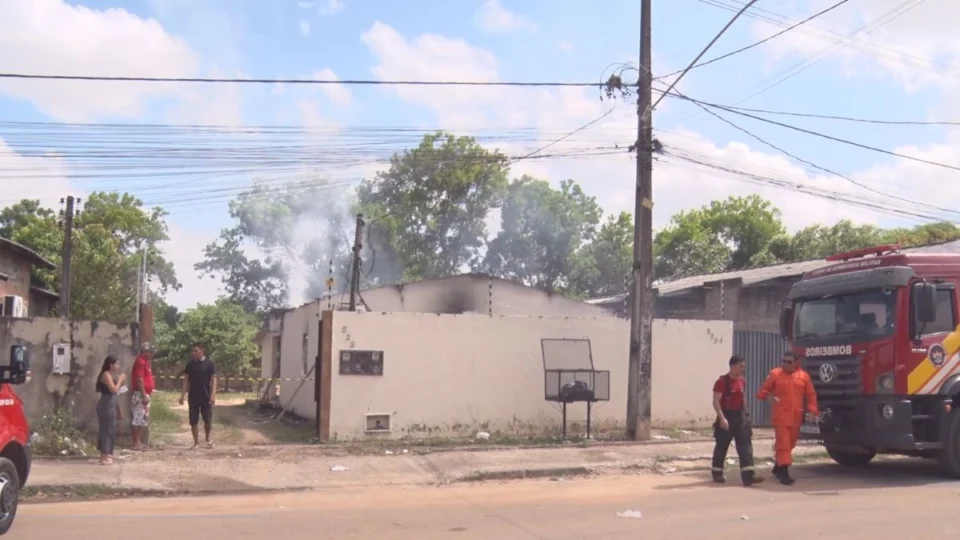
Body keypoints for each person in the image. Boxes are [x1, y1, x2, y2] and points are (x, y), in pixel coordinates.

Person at [757, 350, 819, 485]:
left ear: (796, 362)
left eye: (789, 362)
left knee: (790, 443)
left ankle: (778, 467)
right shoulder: (775, 374)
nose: (785, 364)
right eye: (783, 361)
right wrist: (768, 397)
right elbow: (762, 391)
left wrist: (812, 411)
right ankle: (784, 474)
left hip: (796, 416)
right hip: (781, 416)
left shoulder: (803, 376)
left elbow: (811, 394)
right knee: (783, 443)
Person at [710, 355, 762, 486]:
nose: (743, 369)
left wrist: (747, 414)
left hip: (740, 416)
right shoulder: (721, 382)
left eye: (743, 366)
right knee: (722, 446)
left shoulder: (742, 380)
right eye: (741, 366)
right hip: (727, 415)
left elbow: (743, 398)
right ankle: (717, 473)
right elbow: (716, 401)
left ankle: (748, 476)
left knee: (746, 447)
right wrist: (722, 418)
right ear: (733, 366)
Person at [179, 342, 217, 449]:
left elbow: (214, 380)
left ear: (202, 350)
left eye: (196, 351)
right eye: (193, 351)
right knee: (193, 421)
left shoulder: (210, 364)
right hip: (193, 397)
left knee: (208, 421)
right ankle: (196, 443)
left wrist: (213, 395)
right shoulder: (190, 365)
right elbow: (186, 380)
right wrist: (182, 396)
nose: (193, 353)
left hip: (206, 396)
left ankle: (208, 439)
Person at [96, 355, 125, 466]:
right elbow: (113, 389)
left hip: (110, 405)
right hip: (105, 405)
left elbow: (115, 393)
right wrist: (120, 380)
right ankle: (106, 455)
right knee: (108, 430)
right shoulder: (106, 374)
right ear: (110, 365)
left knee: (109, 429)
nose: (118, 366)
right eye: (116, 364)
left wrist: (118, 409)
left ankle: (105, 454)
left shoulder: (111, 375)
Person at [130, 342, 156, 451]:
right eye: (150, 351)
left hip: (145, 394)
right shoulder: (140, 361)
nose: (151, 353)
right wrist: (144, 394)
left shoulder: (146, 362)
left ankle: (139, 441)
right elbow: (140, 380)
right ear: (145, 351)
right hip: (140, 395)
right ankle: (136, 442)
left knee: (143, 418)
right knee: (138, 418)